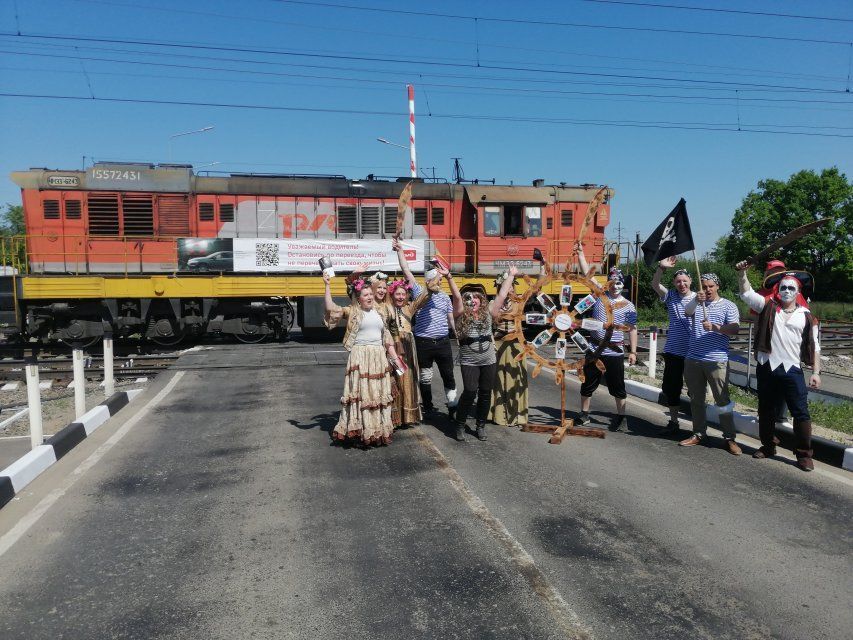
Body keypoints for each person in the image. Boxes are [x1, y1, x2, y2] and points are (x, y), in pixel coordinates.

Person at [737, 263, 821, 471]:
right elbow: (746, 293)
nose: (786, 291)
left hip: (792, 369)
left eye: (791, 288)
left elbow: (815, 347)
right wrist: (742, 273)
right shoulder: (767, 306)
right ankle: (768, 446)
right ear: (778, 289)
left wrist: (816, 372)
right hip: (767, 366)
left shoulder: (806, 316)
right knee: (765, 410)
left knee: (800, 412)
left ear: (798, 292)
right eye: (783, 287)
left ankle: (803, 454)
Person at [323, 271, 405, 446]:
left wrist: (396, 360)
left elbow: (387, 340)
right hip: (360, 356)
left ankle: (376, 431)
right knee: (362, 394)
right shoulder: (352, 311)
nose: (369, 297)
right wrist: (327, 285)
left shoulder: (380, 313)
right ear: (358, 298)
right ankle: (361, 430)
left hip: (378, 357)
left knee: (377, 395)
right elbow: (331, 308)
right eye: (365, 295)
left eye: (370, 294)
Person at [444, 265, 516, 441]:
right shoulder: (460, 314)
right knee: (469, 391)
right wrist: (449, 278)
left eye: (477, 296)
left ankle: (480, 426)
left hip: (488, 358)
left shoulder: (489, 312)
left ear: (482, 299)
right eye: (469, 296)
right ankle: (460, 424)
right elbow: (456, 298)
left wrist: (511, 276)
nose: (473, 299)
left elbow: (501, 295)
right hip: (469, 360)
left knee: (485, 392)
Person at [393, 238, 459, 418]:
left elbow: (450, 317)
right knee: (426, 376)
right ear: (429, 281)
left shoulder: (445, 297)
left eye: (441, 280)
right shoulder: (418, 292)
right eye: (438, 280)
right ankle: (428, 407)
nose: (440, 283)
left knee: (448, 375)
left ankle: (453, 406)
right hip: (424, 342)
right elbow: (406, 270)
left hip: (443, 342)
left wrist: (457, 334)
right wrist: (400, 250)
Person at [575, 244, 638, 432]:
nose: (616, 286)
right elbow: (587, 274)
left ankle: (621, 417)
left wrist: (633, 352)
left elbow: (632, 329)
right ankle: (584, 415)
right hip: (594, 349)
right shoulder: (599, 295)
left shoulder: (628, 306)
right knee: (587, 382)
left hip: (615, 350)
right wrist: (580, 254)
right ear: (607, 283)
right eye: (612, 282)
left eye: (619, 283)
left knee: (618, 386)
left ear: (623, 284)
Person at [679, 273, 742, 455]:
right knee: (696, 399)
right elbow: (687, 312)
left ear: (717, 287)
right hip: (693, 359)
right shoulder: (697, 303)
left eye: (710, 286)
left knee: (722, 400)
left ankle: (729, 438)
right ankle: (698, 433)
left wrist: (716, 327)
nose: (707, 290)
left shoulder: (728, 305)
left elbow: (735, 329)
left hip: (716, 360)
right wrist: (696, 301)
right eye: (704, 286)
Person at [651, 256, 695, 434]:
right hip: (674, 351)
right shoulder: (670, 297)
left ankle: (697, 425)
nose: (682, 284)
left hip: (694, 351)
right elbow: (655, 285)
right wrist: (661, 268)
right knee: (671, 388)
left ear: (691, 281)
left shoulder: (700, 298)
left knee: (695, 390)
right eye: (678, 281)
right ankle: (674, 421)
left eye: (685, 281)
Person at [386, 278, 430, 428]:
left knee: (407, 379)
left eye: (403, 294)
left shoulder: (409, 308)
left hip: (407, 348)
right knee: (394, 380)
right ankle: (394, 417)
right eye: (397, 294)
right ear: (391, 295)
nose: (400, 297)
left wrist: (431, 284)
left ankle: (407, 417)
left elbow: (422, 298)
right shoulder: (387, 308)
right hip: (393, 348)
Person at [489, 269, 529, 428]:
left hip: (516, 344)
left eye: (511, 286)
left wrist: (541, 266)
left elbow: (537, 289)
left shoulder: (520, 302)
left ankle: (516, 415)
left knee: (515, 378)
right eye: (506, 286)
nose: (509, 289)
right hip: (498, 344)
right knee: (498, 379)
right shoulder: (493, 304)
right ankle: (498, 414)